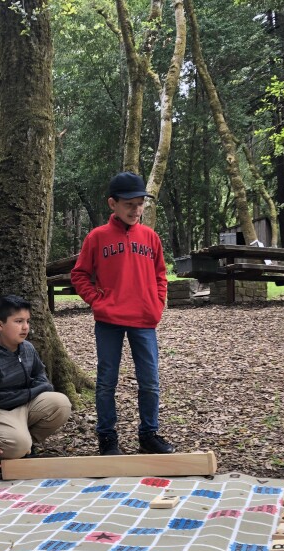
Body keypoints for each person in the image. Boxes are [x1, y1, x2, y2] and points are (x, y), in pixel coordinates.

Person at [71, 172, 175, 456]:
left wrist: (157, 302)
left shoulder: (150, 237)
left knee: (150, 381)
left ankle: (149, 434)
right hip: (109, 321)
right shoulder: (97, 237)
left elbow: (160, 274)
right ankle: (107, 437)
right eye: (129, 203)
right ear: (112, 204)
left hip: (144, 319)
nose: (136, 209)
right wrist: (96, 301)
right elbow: (79, 274)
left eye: (140, 203)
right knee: (106, 382)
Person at [0, 295, 72, 472]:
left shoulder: (27, 348)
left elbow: (40, 375)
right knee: (17, 445)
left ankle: (25, 444)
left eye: (27, 321)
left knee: (61, 404)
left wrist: (31, 392)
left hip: (24, 405)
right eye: (18, 321)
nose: (25, 327)